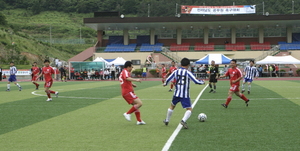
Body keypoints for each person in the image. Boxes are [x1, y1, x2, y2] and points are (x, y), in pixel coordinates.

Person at [163, 58, 205, 129]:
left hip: (176, 93)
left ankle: (167, 120)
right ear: (188, 65)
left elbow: (168, 79)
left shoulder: (176, 71)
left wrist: (165, 84)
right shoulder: (188, 72)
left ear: (181, 64)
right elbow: (196, 81)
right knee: (189, 109)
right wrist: (202, 82)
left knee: (172, 106)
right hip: (185, 94)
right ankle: (183, 120)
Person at [120, 61, 146, 125]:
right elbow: (127, 78)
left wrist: (132, 84)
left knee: (136, 105)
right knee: (139, 103)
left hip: (126, 92)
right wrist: (136, 80)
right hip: (127, 92)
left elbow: (125, 80)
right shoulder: (125, 71)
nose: (132, 68)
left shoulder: (124, 72)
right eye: (131, 67)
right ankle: (127, 113)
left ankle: (139, 120)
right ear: (128, 67)